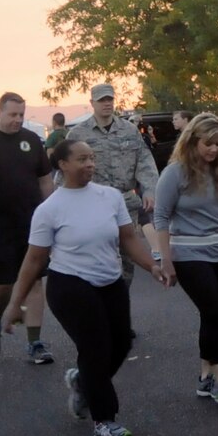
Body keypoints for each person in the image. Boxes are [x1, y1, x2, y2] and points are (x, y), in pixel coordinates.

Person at [2, 138, 172, 436]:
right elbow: (34, 259)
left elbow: (129, 239)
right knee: (95, 349)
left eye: (92, 158)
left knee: (120, 344)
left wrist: (153, 266)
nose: (90, 164)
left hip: (111, 281)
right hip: (70, 285)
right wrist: (16, 303)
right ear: (63, 164)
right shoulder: (49, 209)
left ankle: (83, 381)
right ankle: (104, 419)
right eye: (82, 159)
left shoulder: (110, 197)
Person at [150, 112, 218, 408]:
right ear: (192, 141)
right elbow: (161, 216)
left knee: (212, 315)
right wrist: (165, 259)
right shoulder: (175, 173)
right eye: (208, 144)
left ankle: (205, 375)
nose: (213, 150)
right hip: (189, 254)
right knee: (213, 311)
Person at [0, 93, 58, 364]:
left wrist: (49, 216)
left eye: (21, 114)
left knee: (35, 281)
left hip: (32, 224)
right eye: (12, 114)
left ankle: (35, 343)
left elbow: (45, 180)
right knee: (3, 284)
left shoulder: (31, 140)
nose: (17, 119)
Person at [69, 84, 158, 285]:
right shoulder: (77, 134)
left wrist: (149, 190)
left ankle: (119, 302)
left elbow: (144, 161)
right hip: (92, 203)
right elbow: (66, 170)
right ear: (92, 103)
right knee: (96, 256)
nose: (107, 104)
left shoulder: (129, 130)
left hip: (125, 203)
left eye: (109, 99)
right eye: (101, 100)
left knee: (127, 258)